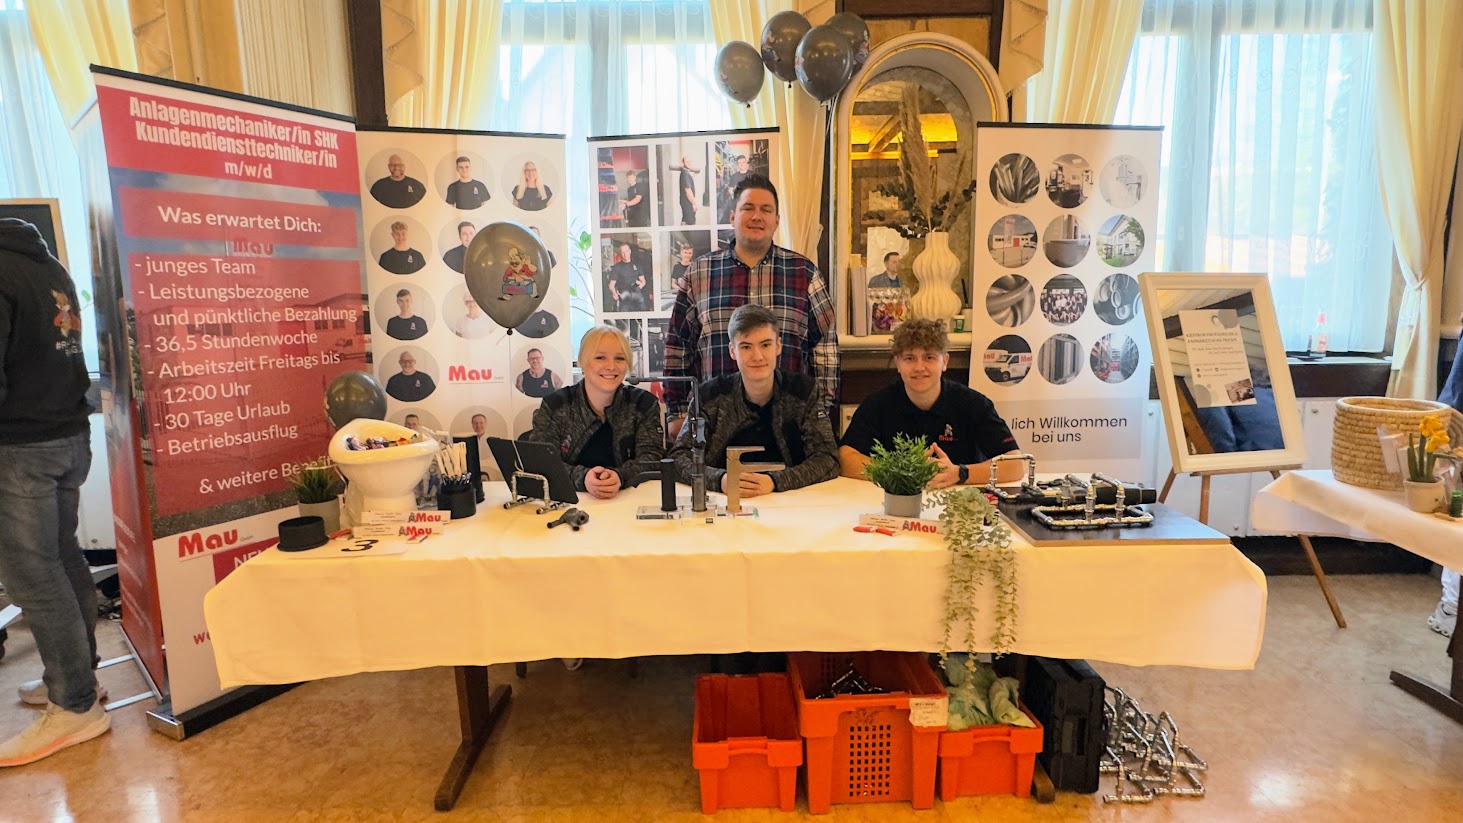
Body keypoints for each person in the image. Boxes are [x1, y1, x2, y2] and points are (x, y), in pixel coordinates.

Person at [0, 218, 110, 767]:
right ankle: (78, 679)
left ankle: (74, 704)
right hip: (68, 437)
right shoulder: (44, 262)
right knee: (63, 559)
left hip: (20, 447)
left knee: (35, 577)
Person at [664, 174, 838, 433]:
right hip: (714, 423)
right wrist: (677, 413)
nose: (757, 216)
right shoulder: (699, 274)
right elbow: (678, 347)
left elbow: (825, 350)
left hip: (790, 424)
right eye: (748, 208)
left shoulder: (804, 273)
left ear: (776, 221)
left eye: (766, 210)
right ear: (732, 216)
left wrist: (820, 412)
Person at [671, 304, 837, 498]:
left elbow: (828, 458)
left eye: (765, 345)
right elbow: (678, 459)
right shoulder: (708, 396)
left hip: (790, 500)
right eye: (746, 347)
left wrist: (775, 481)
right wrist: (720, 479)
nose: (757, 356)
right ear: (732, 351)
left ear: (778, 346)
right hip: (724, 499)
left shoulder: (804, 392)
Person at [840, 318, 1025, 488]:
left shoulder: (973, 403)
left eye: (929, 357)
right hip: (897, 501)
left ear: (944, 362)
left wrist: (960, 473)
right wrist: (898, 471)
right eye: (909, 358)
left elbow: (1015, 464)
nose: (919, 367)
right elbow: (846, 458)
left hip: (959, 502)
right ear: (897, 363)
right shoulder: (877, 404)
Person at [525, 326, 665, 500]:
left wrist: (620, 476)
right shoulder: (555, 405)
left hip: (629, 503)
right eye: (600, 357)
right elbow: (541, 462)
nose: (611, 366)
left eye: (620, 358)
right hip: (569, 504)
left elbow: (652, 460)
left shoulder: (644, 404)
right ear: (582, 362)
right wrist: (583, 478)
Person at [607, 243, 648, 312]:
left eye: (626, 251)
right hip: (624, 297)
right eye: (623, 252)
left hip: (637, 296)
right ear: (620, 253)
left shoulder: (637, 265)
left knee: (642, 314)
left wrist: (640, 286)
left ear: (630, 251)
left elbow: (643, 281)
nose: (625, 254)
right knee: (624, 316)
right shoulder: (617, 267)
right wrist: (614, 293)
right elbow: (611, 285)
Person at [718, 154, 750, 222]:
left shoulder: (753, 175)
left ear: (746, 163)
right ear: (737, 164)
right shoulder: (734, 177)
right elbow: (730, 190)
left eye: (743, 162)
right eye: (739, 163)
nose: (742, 164)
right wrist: (735, 196)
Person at [677, 155, 698, 225]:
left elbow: (689, 182)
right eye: (687, 162)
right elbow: (688, 190)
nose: (689, 163)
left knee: (685, 220)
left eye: (690, 161)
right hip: (687, 202)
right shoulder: (685, 174)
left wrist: (695, 175)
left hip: (685, 202)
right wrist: (694, 203)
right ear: (683, 163)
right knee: (690, 222)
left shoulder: (685, 173)